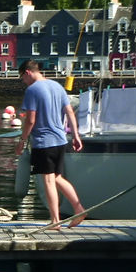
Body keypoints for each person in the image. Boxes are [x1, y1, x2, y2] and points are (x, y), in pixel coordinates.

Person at [15, 60, 86, 227]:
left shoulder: (32, 90)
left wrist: (22, 141)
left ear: (27, 73)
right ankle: (79, 209)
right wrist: (76, 135)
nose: (23, 81)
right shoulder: (57, 87)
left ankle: (55, 221)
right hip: (60, 139)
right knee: (57, 178)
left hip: (43, 141)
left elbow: (30, 120)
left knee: (48, 180)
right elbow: (70, 112)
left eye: (22, 78)